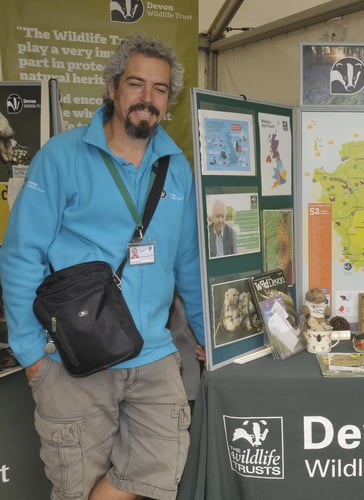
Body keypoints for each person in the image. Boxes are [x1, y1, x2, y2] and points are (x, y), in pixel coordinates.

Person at [0, 33, 206, 500]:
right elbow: (20, 256)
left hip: (154, 357)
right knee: (75, 485)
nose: (147, 99)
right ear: (112, 88)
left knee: (156, 473)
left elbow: (187, 261)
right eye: (136, 84)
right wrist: (32, 355)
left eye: (159, 89)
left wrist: (204, 334)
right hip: (74, 358)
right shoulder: (61, 157)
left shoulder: (176, 168)